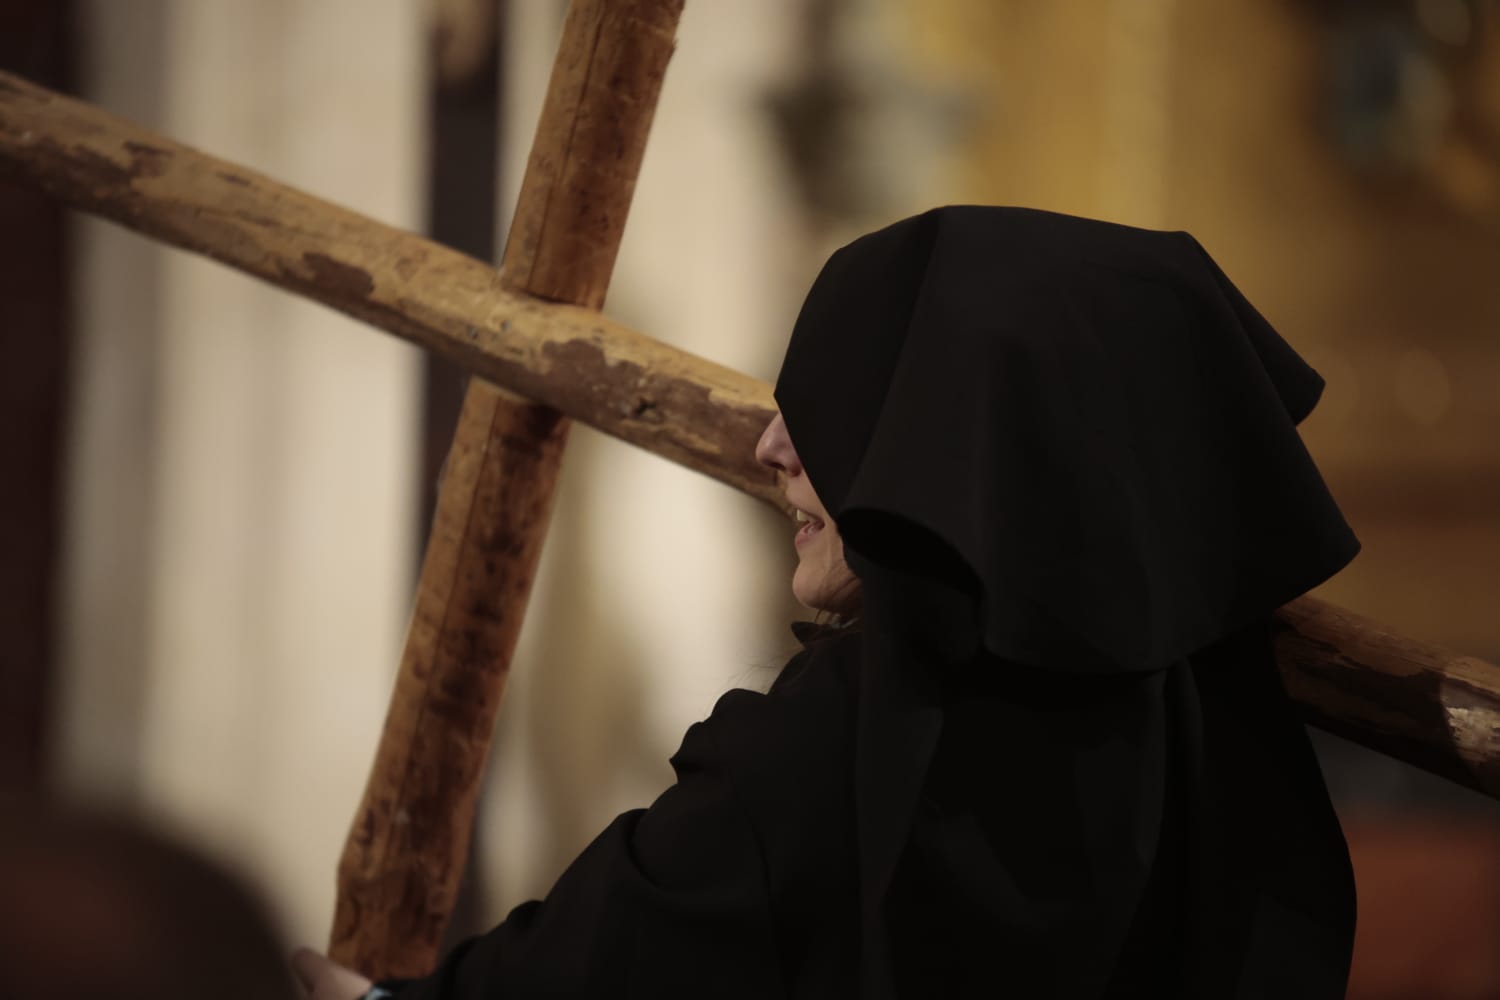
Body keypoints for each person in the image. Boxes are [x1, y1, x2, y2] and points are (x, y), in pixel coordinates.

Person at [295, 205, 1359, 999]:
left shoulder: (839, 748)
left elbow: (602, 967)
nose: (769, 450)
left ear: (948, 437)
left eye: (835, 406)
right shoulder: (1223, 730)